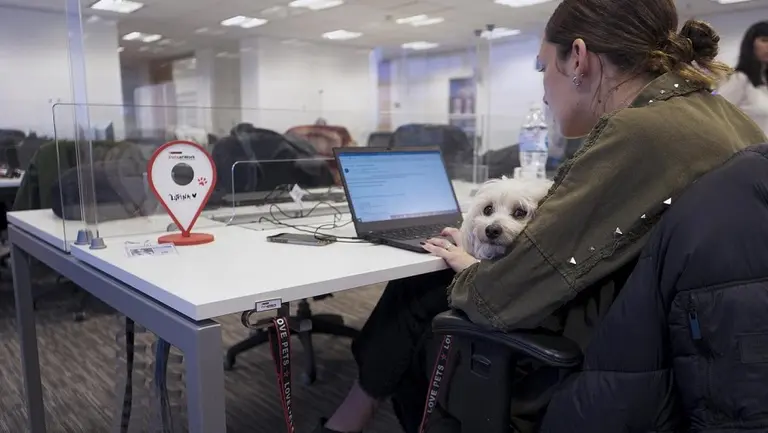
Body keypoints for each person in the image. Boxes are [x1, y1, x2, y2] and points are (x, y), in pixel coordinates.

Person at [314, 1, 768, 432]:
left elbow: (501, 296)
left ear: (578, 59)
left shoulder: (637, 134)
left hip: (616, 358)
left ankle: (359, 413)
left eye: (541, 67)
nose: (542, 89)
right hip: (703, 345)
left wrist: (470, 265)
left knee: (421, 288)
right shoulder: (730, 117)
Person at [718, 21, 768, 133]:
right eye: (764, 40)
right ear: (751, 45)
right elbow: (718, 114)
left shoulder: (763, 80)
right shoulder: (739, 79)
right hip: (749, 147)